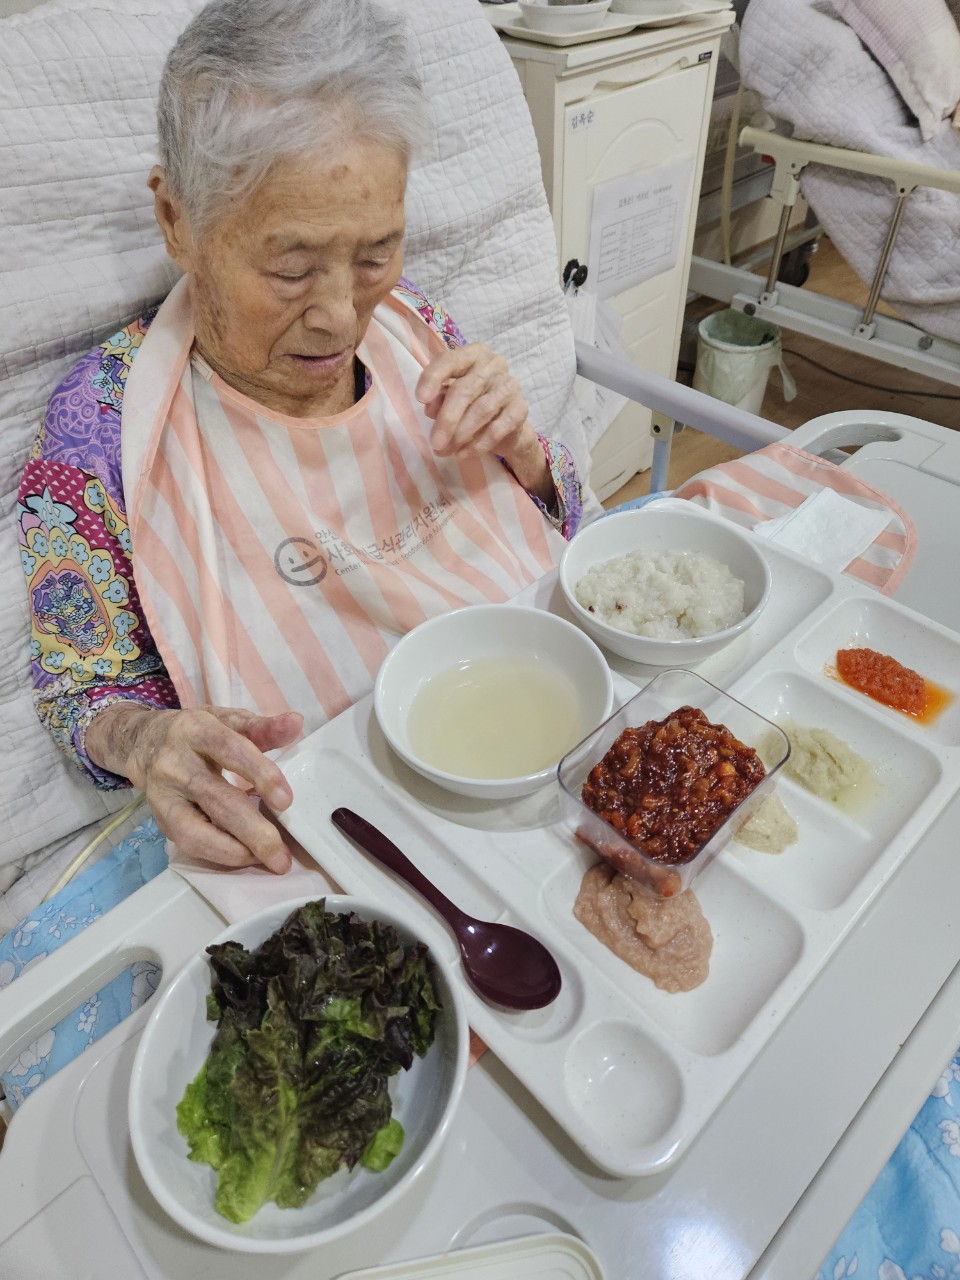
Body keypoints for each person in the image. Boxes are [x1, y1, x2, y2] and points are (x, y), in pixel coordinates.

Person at [16, 0, 586, 882]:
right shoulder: (100, 426)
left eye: (376, 254)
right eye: (290, 270)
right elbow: (84, 693)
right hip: (347, 833)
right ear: (176, 221)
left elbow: (564, 532)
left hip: (561, 729)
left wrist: (529, 458)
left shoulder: (416, 328)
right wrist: (146, 740)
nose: (341, 317)